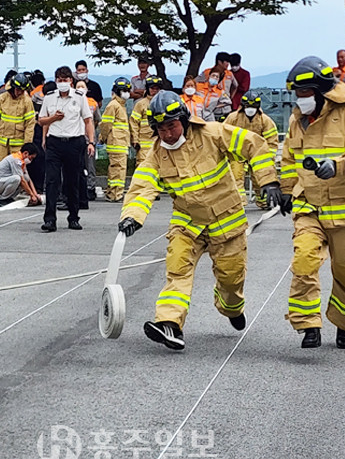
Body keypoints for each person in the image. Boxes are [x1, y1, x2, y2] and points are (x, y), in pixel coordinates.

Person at [117, 91, 282, 351]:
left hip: (226, 222)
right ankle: (169, 324)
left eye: (171, 126)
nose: (167, 134)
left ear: (184, 120)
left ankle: (231, 308)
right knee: (177, 272)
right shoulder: (156, 155)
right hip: (187, 224)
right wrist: (132, 216)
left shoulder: (212, 134)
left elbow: (254, 144)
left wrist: (269, 181)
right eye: (161, 129)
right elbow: (142, 187)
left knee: (231, 281)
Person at [279, 56, 345, 349]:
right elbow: (289, 159)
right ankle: (308, 324)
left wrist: (338, 165)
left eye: (304, 92)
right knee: (304, 261)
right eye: (297, 93)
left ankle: (344, 324)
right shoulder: (297, 120)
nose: (300, 98)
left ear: (321, 91)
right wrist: (286, 190)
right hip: (308, 206)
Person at [38, 66, 95, 232]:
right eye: (60, 80)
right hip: (55, 142)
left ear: (71, 81)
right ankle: (50, 219)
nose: (62, 83)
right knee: (52, 181)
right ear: (56, 81)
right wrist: (53, 118)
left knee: (72, 181)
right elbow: (41, 120)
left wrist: (91, 142)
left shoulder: (79, 97)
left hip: (74, 141)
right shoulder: (50, 97)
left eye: (65, 80)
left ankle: (74, 217)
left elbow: (88, 120)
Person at [224, 90, 279, 208]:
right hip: (237, 155)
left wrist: (269, 159)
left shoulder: (265, 120)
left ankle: (263, 201)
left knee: (260, 178)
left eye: (253, 107)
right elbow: (223, 136)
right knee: (236, 177)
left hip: (258, 156)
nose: (250, 109)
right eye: (248, 107)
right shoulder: (233, 118)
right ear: (243, 106)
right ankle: (239, 203)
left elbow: (272, 141)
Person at [0, 73, 36, 170]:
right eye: (18, 89)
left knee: (17, 170)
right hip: (2, 143)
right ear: (13, 87)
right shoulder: (2, 98)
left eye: (22, 90)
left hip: (18, 144)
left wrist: (27, 144)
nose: (20, 92)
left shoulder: (27, 102)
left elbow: (30, 124)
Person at [100, 77, 132, 201]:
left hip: (121, 142)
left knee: (119, 169)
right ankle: (115, 194)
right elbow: (105, 125)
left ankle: (114, 192)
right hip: (116, 143)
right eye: (124, 90)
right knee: (117, 169)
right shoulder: (113, 105)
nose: (127, 93)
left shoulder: (120, 105)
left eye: (128, 90)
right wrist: (103, 137)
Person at [130, 75, 164, 163]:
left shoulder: (164, 104)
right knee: (143, 166)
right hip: (143, 144)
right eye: (152, 88)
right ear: (148, 89)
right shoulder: (140, 104)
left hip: (160, 143)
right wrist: (135, 140)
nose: (154, 91)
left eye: (157, 89)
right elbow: (134, 123)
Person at [77, 78, 101, 202]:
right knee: (77, 165)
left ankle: (90, 188)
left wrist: (91, 131)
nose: (81, 89)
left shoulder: (92, 103)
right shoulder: (73, 101)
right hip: (76, 137)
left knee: (90, 165)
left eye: (83, 87)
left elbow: (97, 119)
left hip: (89, 139)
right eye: (78, 87)